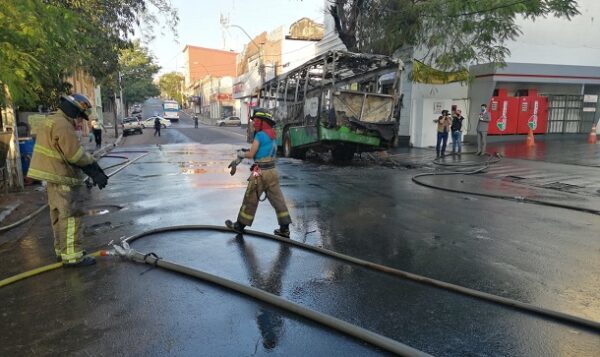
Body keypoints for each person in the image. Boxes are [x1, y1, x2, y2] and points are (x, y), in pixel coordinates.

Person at [27, 94, 108, 267]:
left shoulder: (52, 120)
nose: (79, 119)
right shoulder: (63, 125)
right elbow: (75, 155)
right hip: (62, 175)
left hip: (52, 176)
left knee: (58, 215)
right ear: (73, 109)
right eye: (79, 115)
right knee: (71, 216)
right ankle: (73, 256)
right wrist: (95, 170)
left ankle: (62, 251)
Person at [225, 108, 292, 238]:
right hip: (272, 170)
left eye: (256, 121)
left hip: (259, 171)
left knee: (251, 196)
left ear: (262, 122)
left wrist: (241, 154)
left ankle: (239, 226)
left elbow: (251, 154)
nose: (254, 123)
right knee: (278, 200)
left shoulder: (259, 135)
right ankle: (284, 229)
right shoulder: (272, 134)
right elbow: (263, 149)